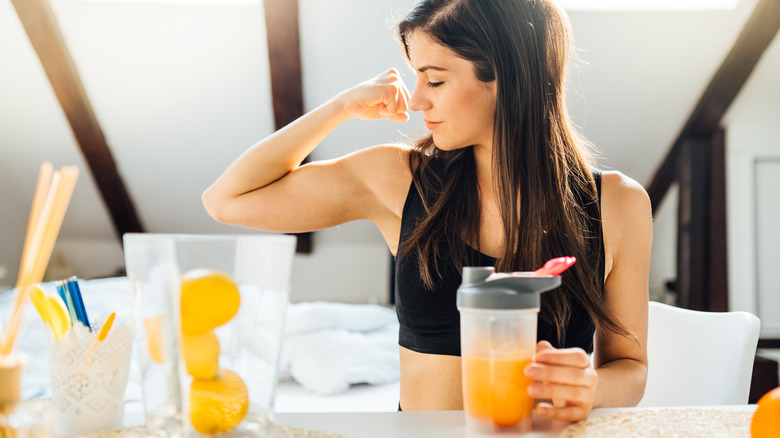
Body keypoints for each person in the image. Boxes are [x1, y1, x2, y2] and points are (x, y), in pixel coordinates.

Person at [202, 0, 651, 422]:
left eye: (434, 80)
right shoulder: (396, 179)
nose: (416, 101)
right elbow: (228, 200)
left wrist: (590, 387)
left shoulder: (618, 204)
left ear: (509, 79)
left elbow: (630, 368)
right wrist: (341, 107)